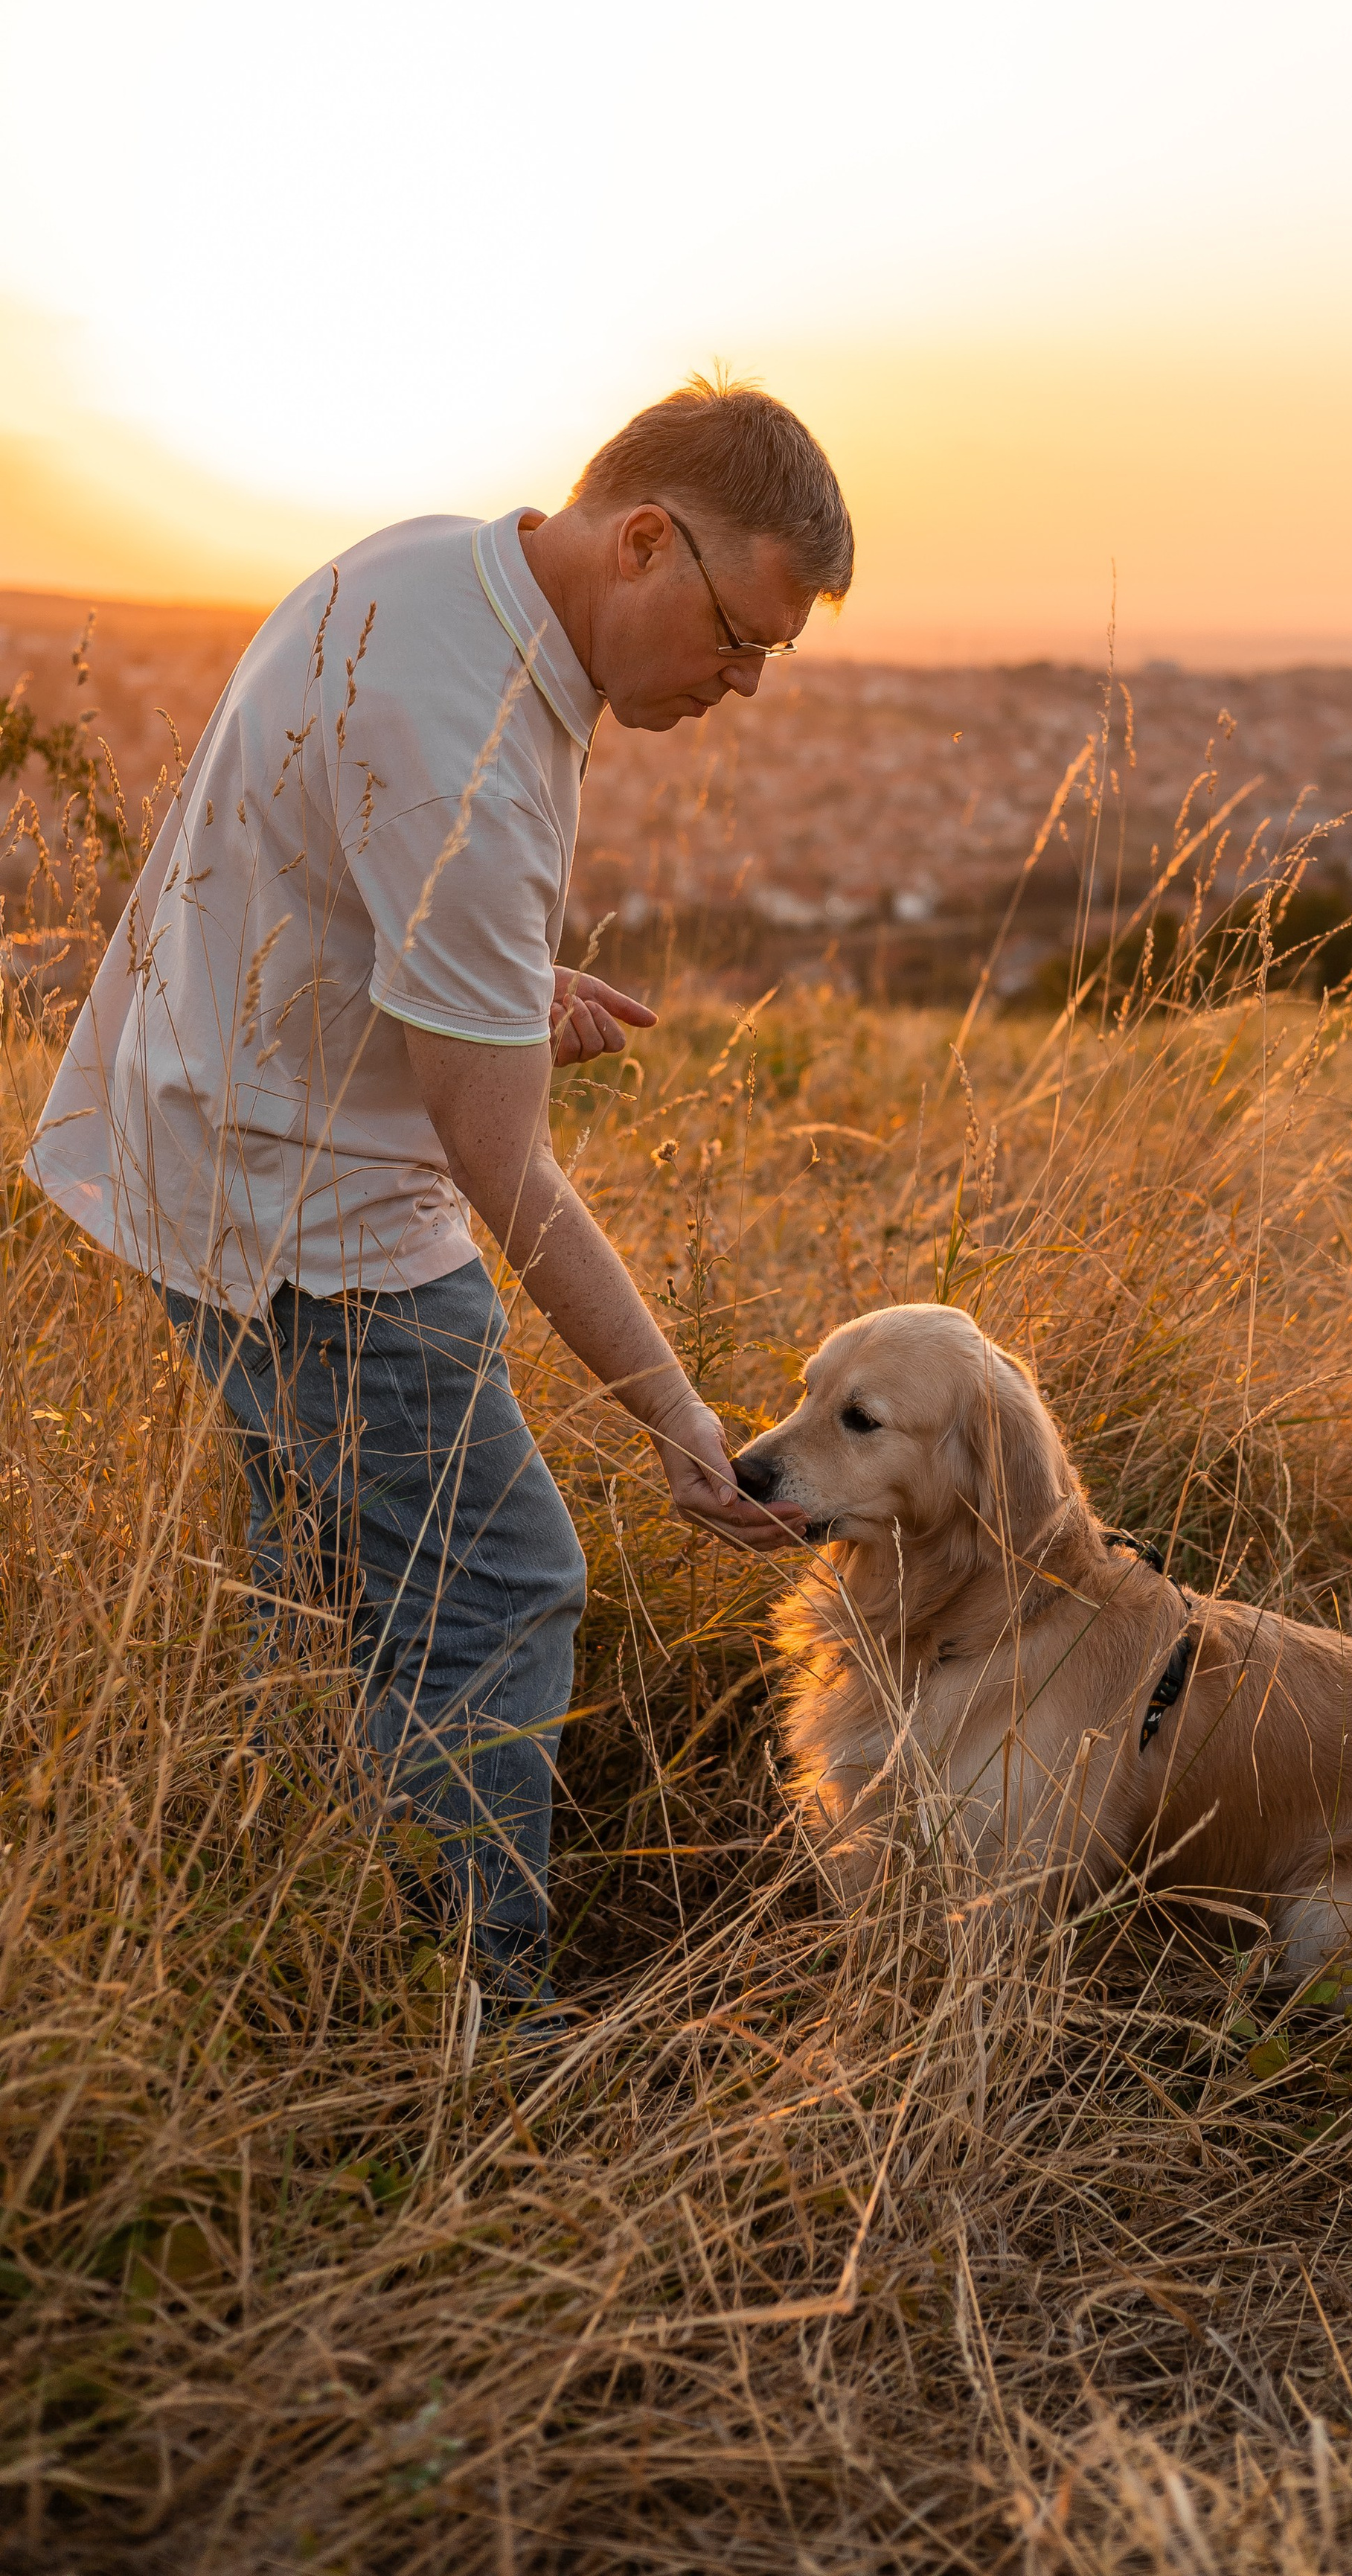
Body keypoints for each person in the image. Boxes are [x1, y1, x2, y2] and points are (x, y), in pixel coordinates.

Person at [28, 374, 840, 2027]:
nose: (746, 683)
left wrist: (501, 995)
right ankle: (472, 2012)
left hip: (203, 1146)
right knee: (501, 1588)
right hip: (316, 1223)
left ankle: (288, 1938)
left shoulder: (430, 565)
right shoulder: (477, 753)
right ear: (642, 540)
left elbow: (339, 872)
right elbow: (504, 1170)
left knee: (327, 1587)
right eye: (738, 636)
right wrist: (682, 1423)